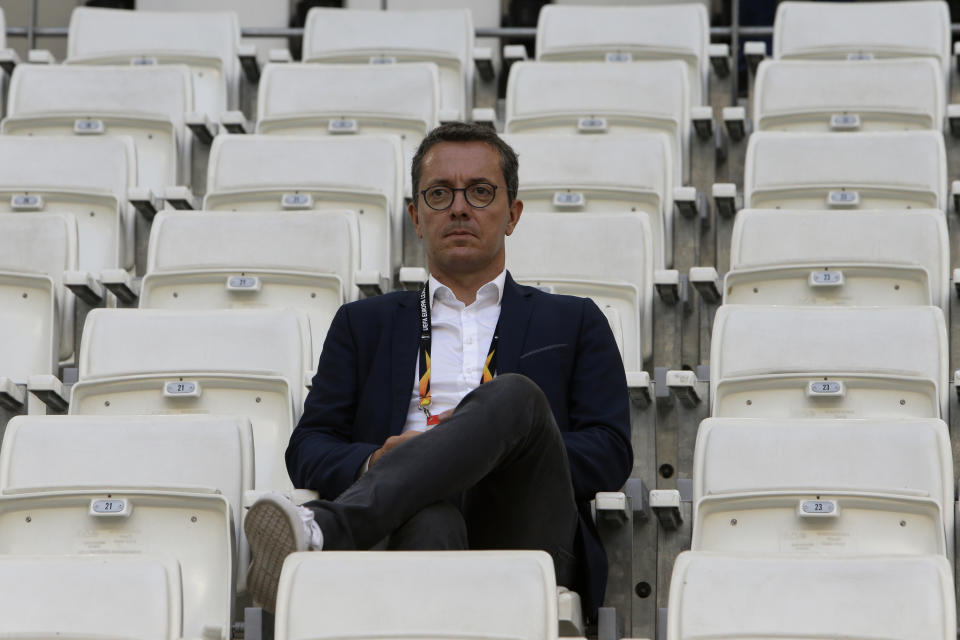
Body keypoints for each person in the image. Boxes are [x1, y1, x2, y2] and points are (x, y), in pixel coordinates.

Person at [244, 122, 633, 621]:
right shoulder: (364, 324)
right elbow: (310, 446)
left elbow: (610, 450)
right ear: (415, 216)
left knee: (515, 397)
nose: (459, 207)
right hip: (405, 528)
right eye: (439, 194)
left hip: (524, 531)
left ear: (512, 214)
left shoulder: (575, 320)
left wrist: (481, 454)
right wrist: (376, 461)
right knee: (431, 519)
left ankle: (326, 529)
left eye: (480, 191)